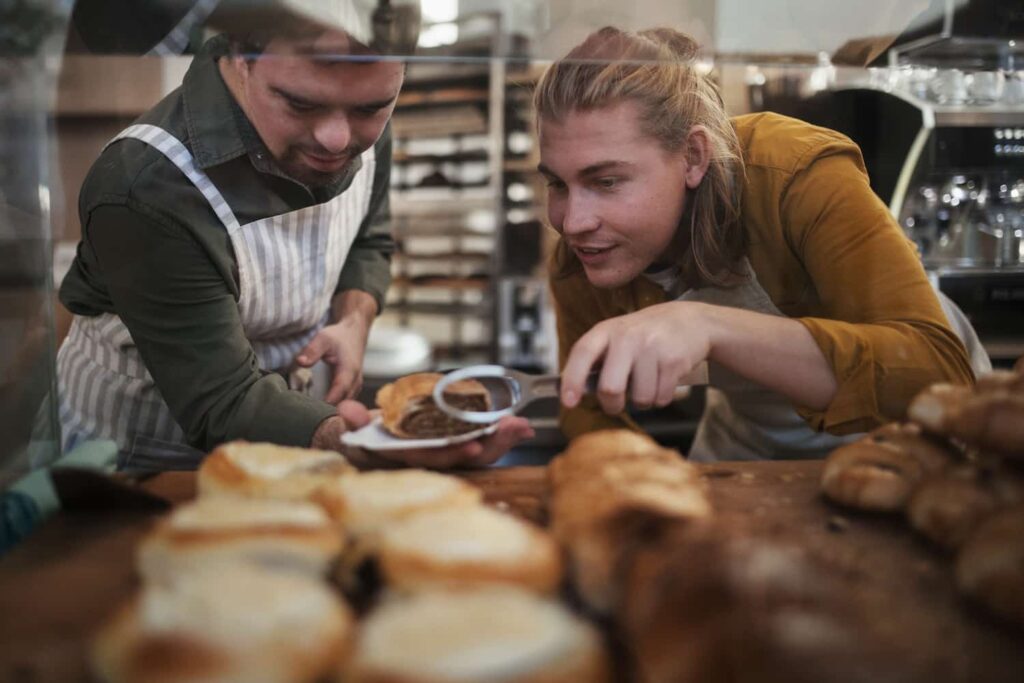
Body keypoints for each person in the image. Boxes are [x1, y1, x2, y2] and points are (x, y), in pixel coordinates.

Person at [57, 9, 530, 471]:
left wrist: (354, 320)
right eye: (301, 104)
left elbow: (370, 239)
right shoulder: (147, 187)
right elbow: (222, 401)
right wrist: (371, 444)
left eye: (370, 108)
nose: (335, 138)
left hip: (284, 447)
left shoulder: (358, 129)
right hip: (138, 462)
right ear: (241, 57)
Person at [535, 27, 980, 461]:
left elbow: (935, 372)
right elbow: (586, 407)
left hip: (912, 437)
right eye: (557, 183)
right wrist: (641, 482)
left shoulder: (796, 173)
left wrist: (707, 326)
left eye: (607, 181)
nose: (573, 222)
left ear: (692, 156)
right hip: (750, 442)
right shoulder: (585, 256)